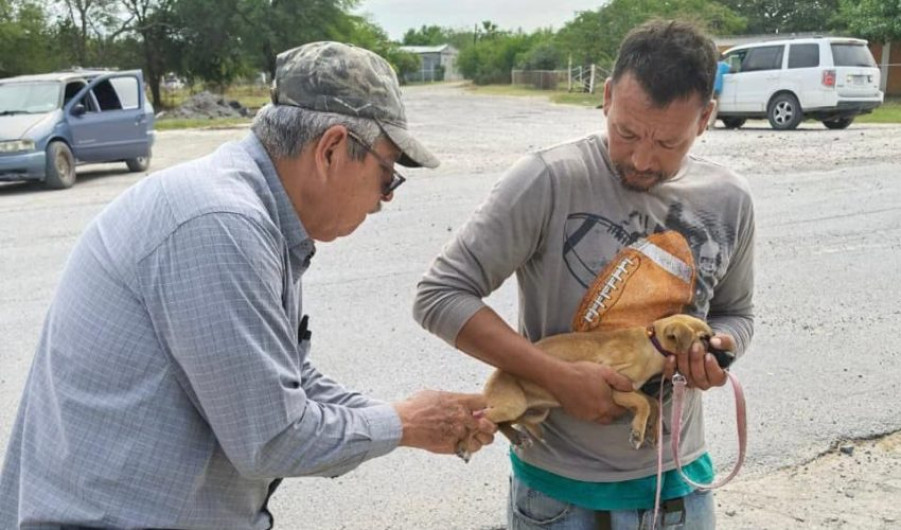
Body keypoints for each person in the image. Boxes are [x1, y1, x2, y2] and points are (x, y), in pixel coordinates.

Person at [0, 41, 496, 529]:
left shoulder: (258, 218)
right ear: (330, 151)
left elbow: (290, 381)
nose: (385, 198)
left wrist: (422, 416)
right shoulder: (220, 223)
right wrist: (406, 423)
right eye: (387, 175)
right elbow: (273, 437)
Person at [414, 20, 755, 530]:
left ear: (706, 118)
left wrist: (720, 349)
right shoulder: (549, 180)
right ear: (607, 96)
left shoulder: (729, 200)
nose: (642, 159)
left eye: (668, 142)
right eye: (627, 132)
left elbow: (737, 312)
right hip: (557, 497)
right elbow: (439, 295)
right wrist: (557, 377)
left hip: (676, 488)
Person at [708, 54, 731, 129]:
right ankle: (711, 124)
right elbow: (732, 69)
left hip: (710, 87)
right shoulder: (723, 65)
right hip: (717, 89)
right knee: (714, 107)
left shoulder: (711, 65)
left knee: (708, 105)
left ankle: (707, 124)